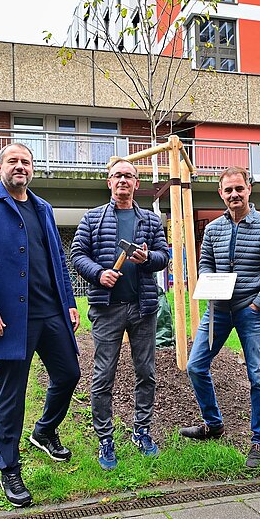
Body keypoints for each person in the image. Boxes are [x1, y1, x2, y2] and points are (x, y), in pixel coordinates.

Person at [0, 143, 81, 508]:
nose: (20, 167)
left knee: (69, 374)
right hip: (9, 317)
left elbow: (58, 259)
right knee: (11, 393)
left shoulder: (42, 207)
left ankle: (44, 431)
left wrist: (70, 303)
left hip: (50, 312)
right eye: (13, 161)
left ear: (33, 169)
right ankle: (9, 468)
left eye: (25, 162)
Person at [71, 158, 169, 471]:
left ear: (137, 183)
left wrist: (146, 258)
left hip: (143, 308)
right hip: (106, 308)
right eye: (117, 176)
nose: (123, 180)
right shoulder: (92, 218)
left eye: (128, 175)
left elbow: (163, 257)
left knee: (146, 372)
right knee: (103, 375)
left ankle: (142, 431)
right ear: (109, 182)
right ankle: (105, 438)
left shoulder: (151, 221)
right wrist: (99, 274)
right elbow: (77, 255)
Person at [179, 166, 260, 468]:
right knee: (195, 366)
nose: (234, 194)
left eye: (239, 189)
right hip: (218, 310)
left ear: (249, 190)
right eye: (228, 190)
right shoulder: (213, 228)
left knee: (257, 375)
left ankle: (259, 440)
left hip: (251, 310)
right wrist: (207, 281)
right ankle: (213, 423)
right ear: (221, 193)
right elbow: (205, 262)